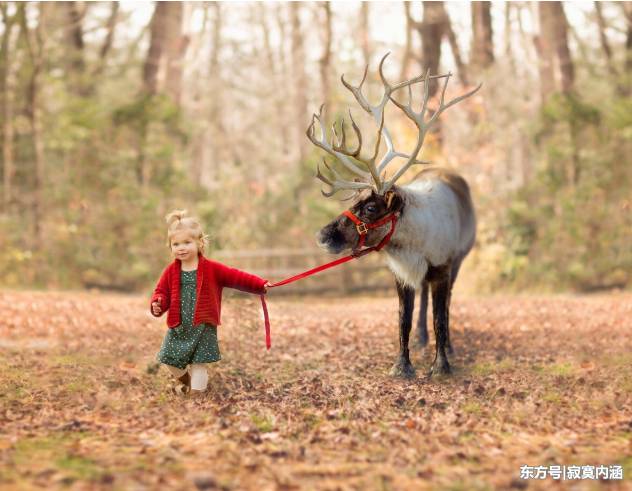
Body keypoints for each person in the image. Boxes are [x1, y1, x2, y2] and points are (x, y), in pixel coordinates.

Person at [151, 210, 268, 396]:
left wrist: (260, 284)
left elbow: (236, 276)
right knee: (169, 360)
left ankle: (197, 398)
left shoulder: (212, 269)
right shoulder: (171, 271)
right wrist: (157, 303)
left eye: (187, 242)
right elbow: (161, 293)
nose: (181, 248)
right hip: (179, 326)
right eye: (176, 244)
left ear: (199, 243)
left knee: (199, 364)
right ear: (170, 247)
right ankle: (186, 382)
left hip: (203, 325)